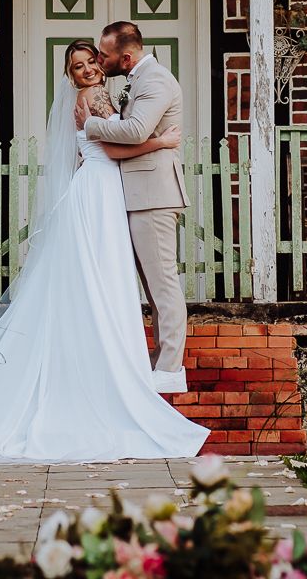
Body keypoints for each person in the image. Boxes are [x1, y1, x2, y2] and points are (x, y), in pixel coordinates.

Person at [0, 41, 208, 462]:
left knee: (91, 284)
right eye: (77, 67)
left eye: (90, 63)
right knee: (102, 282)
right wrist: (162, 143)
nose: (85, 70)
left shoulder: (95, 96)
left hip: (96, 189)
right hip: (100, 191)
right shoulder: (94, 97)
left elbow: (103, 143)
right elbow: (116, 147)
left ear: (101, 65)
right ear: (72, 75)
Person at [75, 22, 191, 394]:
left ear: (125, 57)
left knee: (164, 285)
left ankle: (171, 367)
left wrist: (90, 125)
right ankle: (159, 362)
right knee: (152, 288)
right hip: (137, 194)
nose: (98, 61)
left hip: (153, 194)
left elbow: (136, 130)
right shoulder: (133, 81)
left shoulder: (155, 80)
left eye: (103, 56)